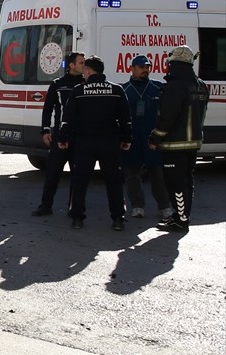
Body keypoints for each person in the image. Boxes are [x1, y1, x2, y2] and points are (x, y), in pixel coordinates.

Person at [57, 55, 131, 231]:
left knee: (80, 181)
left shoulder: (79, 91)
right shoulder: (117, 90)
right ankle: (118, 219)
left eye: (84, 70)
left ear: (89, 71)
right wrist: (127, 139)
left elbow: (67, 119)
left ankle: (77, 218)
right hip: (110, 143)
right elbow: (126, 119)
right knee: (114, 182)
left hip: (85, 143)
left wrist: (62, 138)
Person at [148, 45, 209, 232]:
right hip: (193, 143)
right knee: (186, 181)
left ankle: (181, 219)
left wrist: (155, 137)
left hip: (175, 144)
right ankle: (181, 216)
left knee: (175, 183)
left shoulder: (175, 86)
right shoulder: (200, 85)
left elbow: (167, 116)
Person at [32, 51, 84, 216]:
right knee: (53, 172)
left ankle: (74, 208)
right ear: (71, 65)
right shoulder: (57, 84)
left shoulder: (86, 83)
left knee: (78, 175)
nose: (84, 65)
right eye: (81, 63)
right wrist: (45, 130)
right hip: (60, 136)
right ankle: (45, 205)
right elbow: (48, 109)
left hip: (80, 137)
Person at [120, 55, 171, 222]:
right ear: (132, 68)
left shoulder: (157, 87)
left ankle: (164, 207)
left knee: (157, 173)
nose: (145, 70)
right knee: (132, 174)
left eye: (147, 67)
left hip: (152, 138)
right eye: (141, 67)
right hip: (133, 139)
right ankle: (137, 206)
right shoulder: (124, 89)